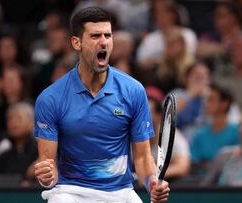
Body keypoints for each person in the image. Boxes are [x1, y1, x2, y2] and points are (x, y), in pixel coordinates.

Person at [34, 7, 169, 203]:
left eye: (108, 35)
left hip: (120, 192)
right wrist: (47, 177)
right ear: (76, 43)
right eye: (95, 36)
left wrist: (152, 183)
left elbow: (141, 157)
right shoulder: (50, 99)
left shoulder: (134, 91)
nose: (104, 42)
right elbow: (49, 163)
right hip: (70, 192)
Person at [190, 84, 239, 173]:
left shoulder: (238, 132)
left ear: (225, 103)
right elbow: (195, 161)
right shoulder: (200, 134)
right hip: (200, 183)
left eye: (211, 99)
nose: (206, 103)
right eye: (206, 99)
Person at [146, 86, 190, 180]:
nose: (143, 119)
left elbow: (182, 167)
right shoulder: (128, 135)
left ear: (159, 116)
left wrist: (153, 176)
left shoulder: (173, 136)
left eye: (147, 113)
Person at [0, 102, 37, 187]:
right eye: (10, 118)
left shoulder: (41, 152)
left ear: (31, 123)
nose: (13, 122)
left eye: (18, 118)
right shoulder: (3, 156)